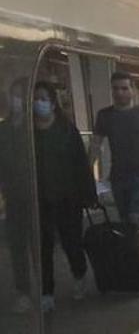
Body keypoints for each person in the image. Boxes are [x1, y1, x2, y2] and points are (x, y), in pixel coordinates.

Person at [32, 81, 98, 312]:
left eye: (43, 99)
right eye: (35, 98)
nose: (38, 103)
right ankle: (46, 292)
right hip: (39, 200)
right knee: (43, 248)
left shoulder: (67, 131)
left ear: (52, 103)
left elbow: (81, 165)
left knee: (72, 242)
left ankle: (79, 274)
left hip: (68, 199)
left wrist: (89, 194)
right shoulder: (28, 134)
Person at [90, 71, 139, 224]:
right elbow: (95, 144)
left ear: (132, 90)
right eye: (116, 88)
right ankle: (133, 246)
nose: (119, 92)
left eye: (124, 88)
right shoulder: (104, 115)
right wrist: (88, 170)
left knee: (135, 217)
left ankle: (135, 244)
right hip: (118, 176)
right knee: (125, 218)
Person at [0, 78, 34, 313]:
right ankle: (23, 291)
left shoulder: (35, 128)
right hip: (13, 196)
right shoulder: (3, 130)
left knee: (38, 244)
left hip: (37, 196)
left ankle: (45, 287)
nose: (17, 101)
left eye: (21, 96)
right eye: (14, 96)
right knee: (18, 246)